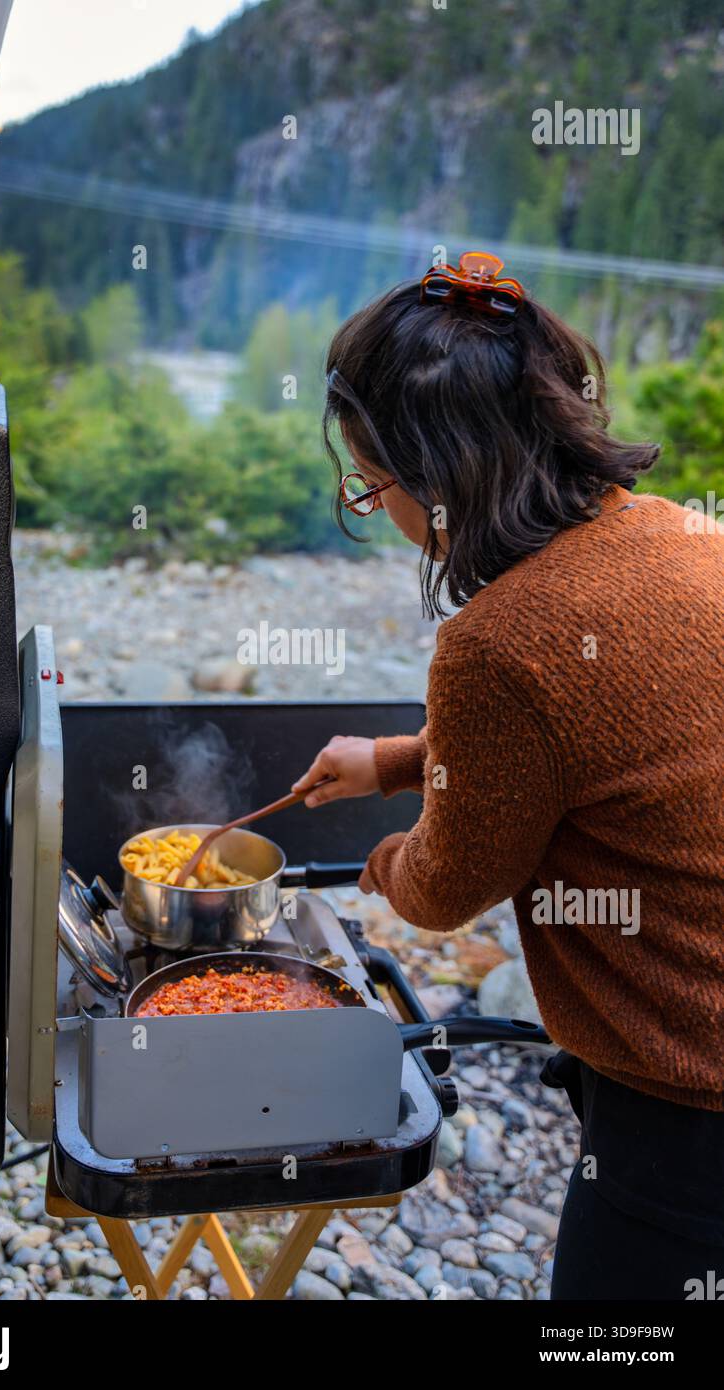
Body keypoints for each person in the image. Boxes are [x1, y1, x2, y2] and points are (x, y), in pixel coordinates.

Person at [292, 252, 724, 1301]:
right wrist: (393, 761)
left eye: (371, 482)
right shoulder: (678, 533)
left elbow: (448, 884)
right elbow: (614, 752)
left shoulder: (499, 643)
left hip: (689, 1097)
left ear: (438, 476)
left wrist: (380, 868)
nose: (375, 506)